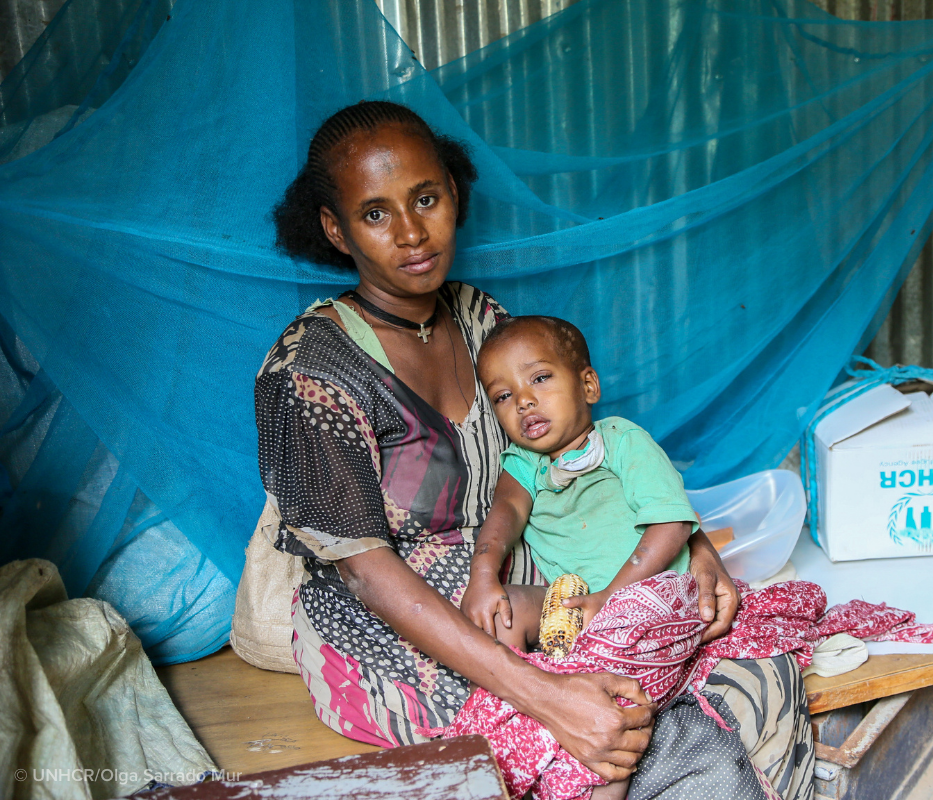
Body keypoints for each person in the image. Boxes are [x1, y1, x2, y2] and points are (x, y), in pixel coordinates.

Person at [259, 99, 814, 799]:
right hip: (396, 628)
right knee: (615, 731)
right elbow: (368, 575)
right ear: (336, 229)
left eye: (425, 199)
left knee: (742, 664)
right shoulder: (313, 371)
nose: (410, 232)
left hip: (541, 585)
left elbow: (587, 450)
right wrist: (546, 696)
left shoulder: (483, 321)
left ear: (453, 194)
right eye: (375, 214)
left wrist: (694, 551)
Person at [462, 315, 696, 650]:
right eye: (503, 396)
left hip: (654, 591)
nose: (523, 401)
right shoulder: (524, 463)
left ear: (587, 386)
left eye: (540, 378)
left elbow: (672, 524)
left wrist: (611, 597)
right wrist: (483, 575)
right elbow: (507, 509)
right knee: (501, 613)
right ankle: (504, 698)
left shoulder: (620, 440)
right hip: (573, 606)